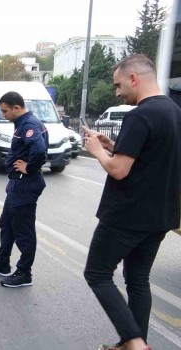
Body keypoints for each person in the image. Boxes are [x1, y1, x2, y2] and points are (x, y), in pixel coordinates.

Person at [82, 54, 181, 350]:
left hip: (127, 215)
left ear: (134, 79)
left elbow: (118, 170)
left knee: (97, 274)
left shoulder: (140, 115)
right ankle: (136, 344)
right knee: (138, 279)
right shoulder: (174, 112)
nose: (117, 92)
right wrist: (113, 146)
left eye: (118, 84)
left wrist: (96, 151)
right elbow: (155, 155)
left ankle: (135, 344)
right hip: (160, 216)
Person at [0, 91, 48, 288]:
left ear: (17, 108)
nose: (3, 115)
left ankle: (24, 272)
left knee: (23, 230)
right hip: (17, 184)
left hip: (25, 184)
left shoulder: (28, 124)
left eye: (5, 111)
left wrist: (29, 168)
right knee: (7, 223)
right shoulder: (22, 123)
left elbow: (38, 149)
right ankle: (3, 262)